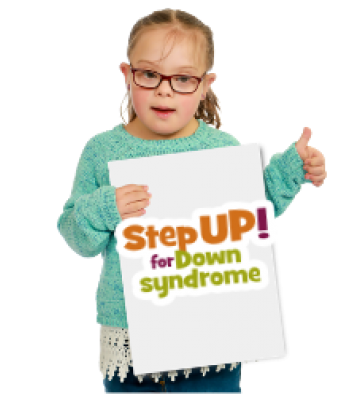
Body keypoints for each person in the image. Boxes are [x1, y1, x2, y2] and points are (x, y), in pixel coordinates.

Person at [56, 7, 326, 395]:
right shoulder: (101, 151)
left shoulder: (222, 148)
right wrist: (105, 206)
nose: (165, 89)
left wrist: (293, 169)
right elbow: (77, 240)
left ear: (205, 84)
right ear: (127, 74)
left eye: (183, 78)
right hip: (131, 336)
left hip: (208, 336)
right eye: (150, 74)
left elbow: (251, 216)